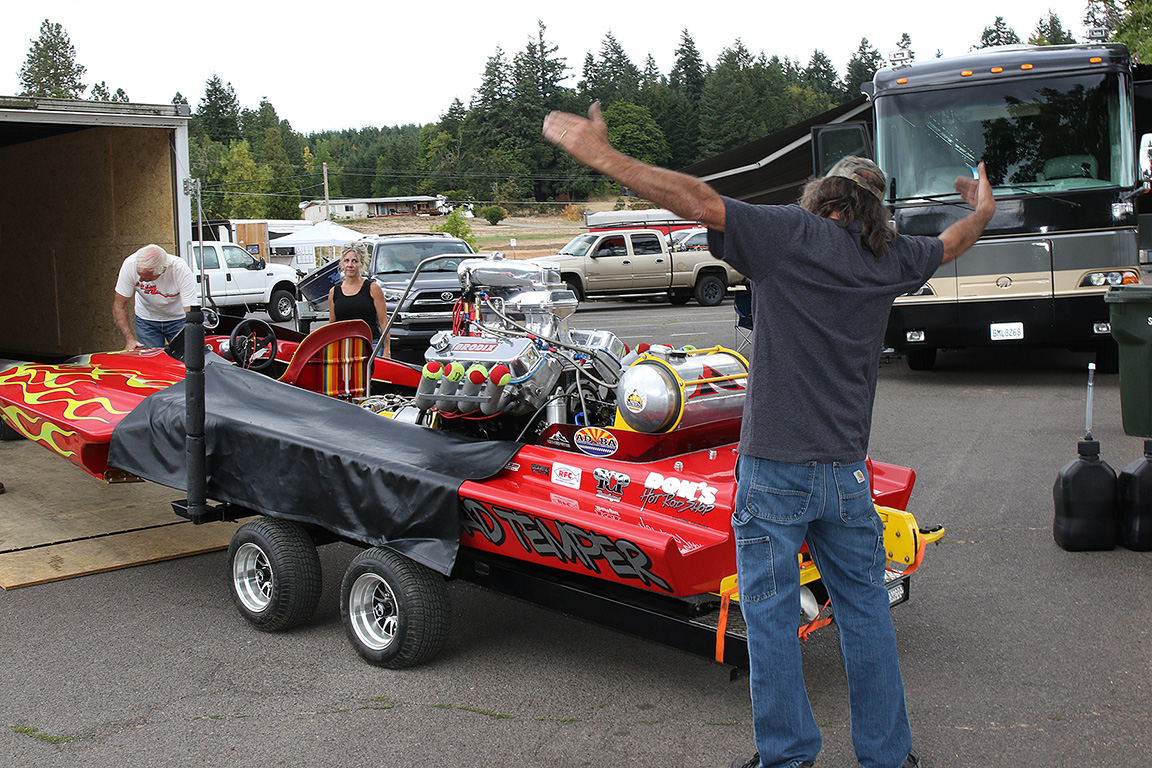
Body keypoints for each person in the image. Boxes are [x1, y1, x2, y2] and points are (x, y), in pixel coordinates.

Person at [543, 103, 995, 768]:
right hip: (847, 473)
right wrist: (983, 208)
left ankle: (786, 757)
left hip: (775, 470)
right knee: (865, 610)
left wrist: (603, 157)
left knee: (772, 616)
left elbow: (698, 201)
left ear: (824, 197)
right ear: (874, 212)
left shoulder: (793, 234)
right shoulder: (891, 258)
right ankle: (888, 757)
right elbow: (953, 242)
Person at [113, 244, 197, 350]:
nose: (140, 280)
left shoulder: (180, 269)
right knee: (150, 357)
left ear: (163, 270)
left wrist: (192, 341)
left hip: (178, 319)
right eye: (139, 275)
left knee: (184, 355)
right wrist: (129, 339)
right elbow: (120, 306)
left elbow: (190, 310)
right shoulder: (130, 265)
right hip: (146, 320)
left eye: (146, 278)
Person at [328, 244, 390, 357]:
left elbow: (383, 322)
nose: (350, 265)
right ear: (342, 264)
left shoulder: (373, 288)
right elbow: (332, 325)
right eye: (346, 261)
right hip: (343, 347)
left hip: (370, 345)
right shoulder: (334, 292)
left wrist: (387, 350)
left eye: (354, 261)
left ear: (361, 263)